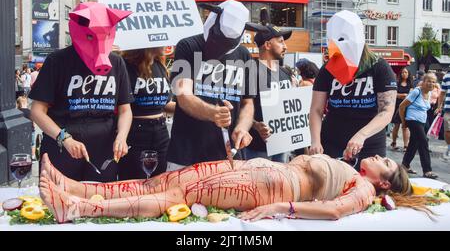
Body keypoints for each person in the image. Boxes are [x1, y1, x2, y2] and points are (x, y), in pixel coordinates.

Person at [39, 152, 435, 223]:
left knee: (176, 197)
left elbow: (333, 211)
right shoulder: (350, 169)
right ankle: (75, 186)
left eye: (385, 163)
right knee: (161, 181)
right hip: (257, 169)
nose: (381, 158)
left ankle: (77, 208)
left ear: (383, 181)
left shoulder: (364, 190)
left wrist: (283, 209)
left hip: (268, 185)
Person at [29, 2, 134, 182]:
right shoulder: (56, 61)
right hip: (62, 147)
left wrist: (122, 137)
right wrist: (64, 138)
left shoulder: (117, 63)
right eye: (91, 38)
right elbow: (37, 111)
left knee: (100, 203)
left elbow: (125, 109)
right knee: (58, 202)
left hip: (104, 151)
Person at [167, 0, 257, 169]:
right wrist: (213, 113)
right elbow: (183, 96)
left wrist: (242, 127)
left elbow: (248, 102)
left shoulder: (245, 55)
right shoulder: (188, 46)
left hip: (229, 156)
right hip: (186, 156)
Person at [309, 11, 397, 170]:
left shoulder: (379, 67)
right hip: (332, 140)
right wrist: (315, 141)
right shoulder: (327, 70)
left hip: (369, 143)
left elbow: (387, 111)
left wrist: (361, 135)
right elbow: (316, 109)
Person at [244, 8, 293, 163]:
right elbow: (238, 107)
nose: (285, 46)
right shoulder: (250, 71)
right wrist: (256, 125)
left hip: (282, 145)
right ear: (267, 45)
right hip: (256, 148)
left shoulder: (285, 73)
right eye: (280, 41)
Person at [119, 47, 176, 179]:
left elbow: (164, 104)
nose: (168, 45)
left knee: (160, 181)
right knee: (134, 183)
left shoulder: (160, 65)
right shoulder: (125, 65)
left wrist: (192, 105)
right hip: (136, 132)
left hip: (161, 132)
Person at [399, 73, 439, 179]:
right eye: (429, 81)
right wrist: (404, 122)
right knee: (423, 142)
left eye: (434, 81)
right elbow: (401, 106)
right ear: (423, 81)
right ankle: (427, 170)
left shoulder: (429, 93)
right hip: (412, 120)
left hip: (422, 121)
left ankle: (405, 165)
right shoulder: (416, 92)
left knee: (414, 143)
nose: (431, 83)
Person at [390, 68, 413, 152]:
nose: (404, 73)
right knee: (396, 125)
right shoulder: (397, 83)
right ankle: (394, 142)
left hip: (406, 107)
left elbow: (411, 95)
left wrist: (405, 96)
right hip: (397, 106)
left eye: (406, 72)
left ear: (408, 74)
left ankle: (406, 146)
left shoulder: (411, 84)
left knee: (405, 126)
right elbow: (393, 94)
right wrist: (401, 95)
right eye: (402, 72)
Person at [16, 96, 37, 160]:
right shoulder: (30, 111)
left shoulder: (18, 112)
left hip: (21, 131)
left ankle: (23, 156)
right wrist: (34, 127)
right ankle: (33, 156)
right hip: (31, 130)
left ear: (18, 104)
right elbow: (33, 121)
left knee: (22, 143)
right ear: (27, 103)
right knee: (32, 144)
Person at [436, 70, 450, 160]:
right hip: (449, 108)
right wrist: (439, 106)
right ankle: (449, 147)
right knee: (447, 130)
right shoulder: (447, 76)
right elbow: (442, 93)